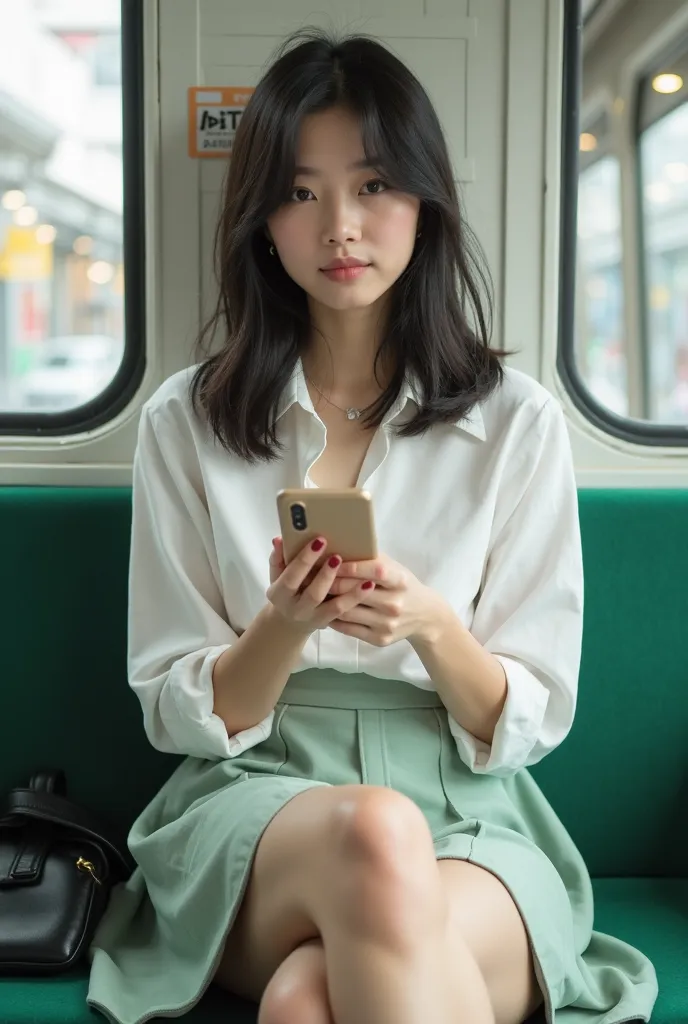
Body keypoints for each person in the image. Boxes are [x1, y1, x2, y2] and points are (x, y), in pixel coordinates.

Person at [87, 28, 658, 1024]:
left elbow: (529, 714)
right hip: (255, 806)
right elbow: (174, 709)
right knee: (374, 835)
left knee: (308, 1000)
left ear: (424, 203)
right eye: (302, 192)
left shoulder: (516, 421)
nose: (340, 225)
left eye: (373, 185)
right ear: (262, 219)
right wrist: (283, 625)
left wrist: (432, 623)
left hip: (472, 812)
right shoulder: (183, 423)